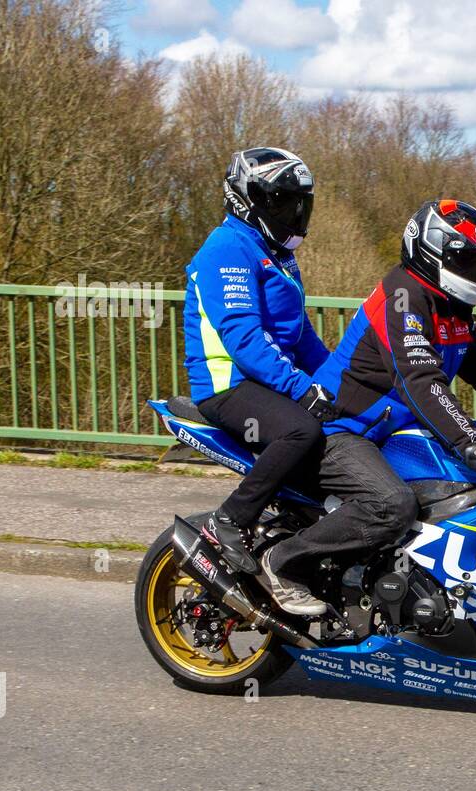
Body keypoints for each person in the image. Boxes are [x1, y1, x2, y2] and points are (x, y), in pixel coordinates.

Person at [259, 199, 476, 615]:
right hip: (340, 427)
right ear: (433, 253)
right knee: (393, 504)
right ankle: (283, 562)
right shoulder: (403, 297)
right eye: (469, 260)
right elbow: (421, 381)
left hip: (391, 431)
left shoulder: (453, 308)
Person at [183, 147, 336, 579]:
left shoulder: (279, 254)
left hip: (263, 379)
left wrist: (341, 383)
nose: (295, 211)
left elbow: (303, 337)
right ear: (249, 199)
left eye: (300, 203)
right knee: (300, 429)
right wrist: (303, 389)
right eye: (284, 201)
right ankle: (228, 521)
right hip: (227, 383)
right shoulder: (228, 248)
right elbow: (244, 339)